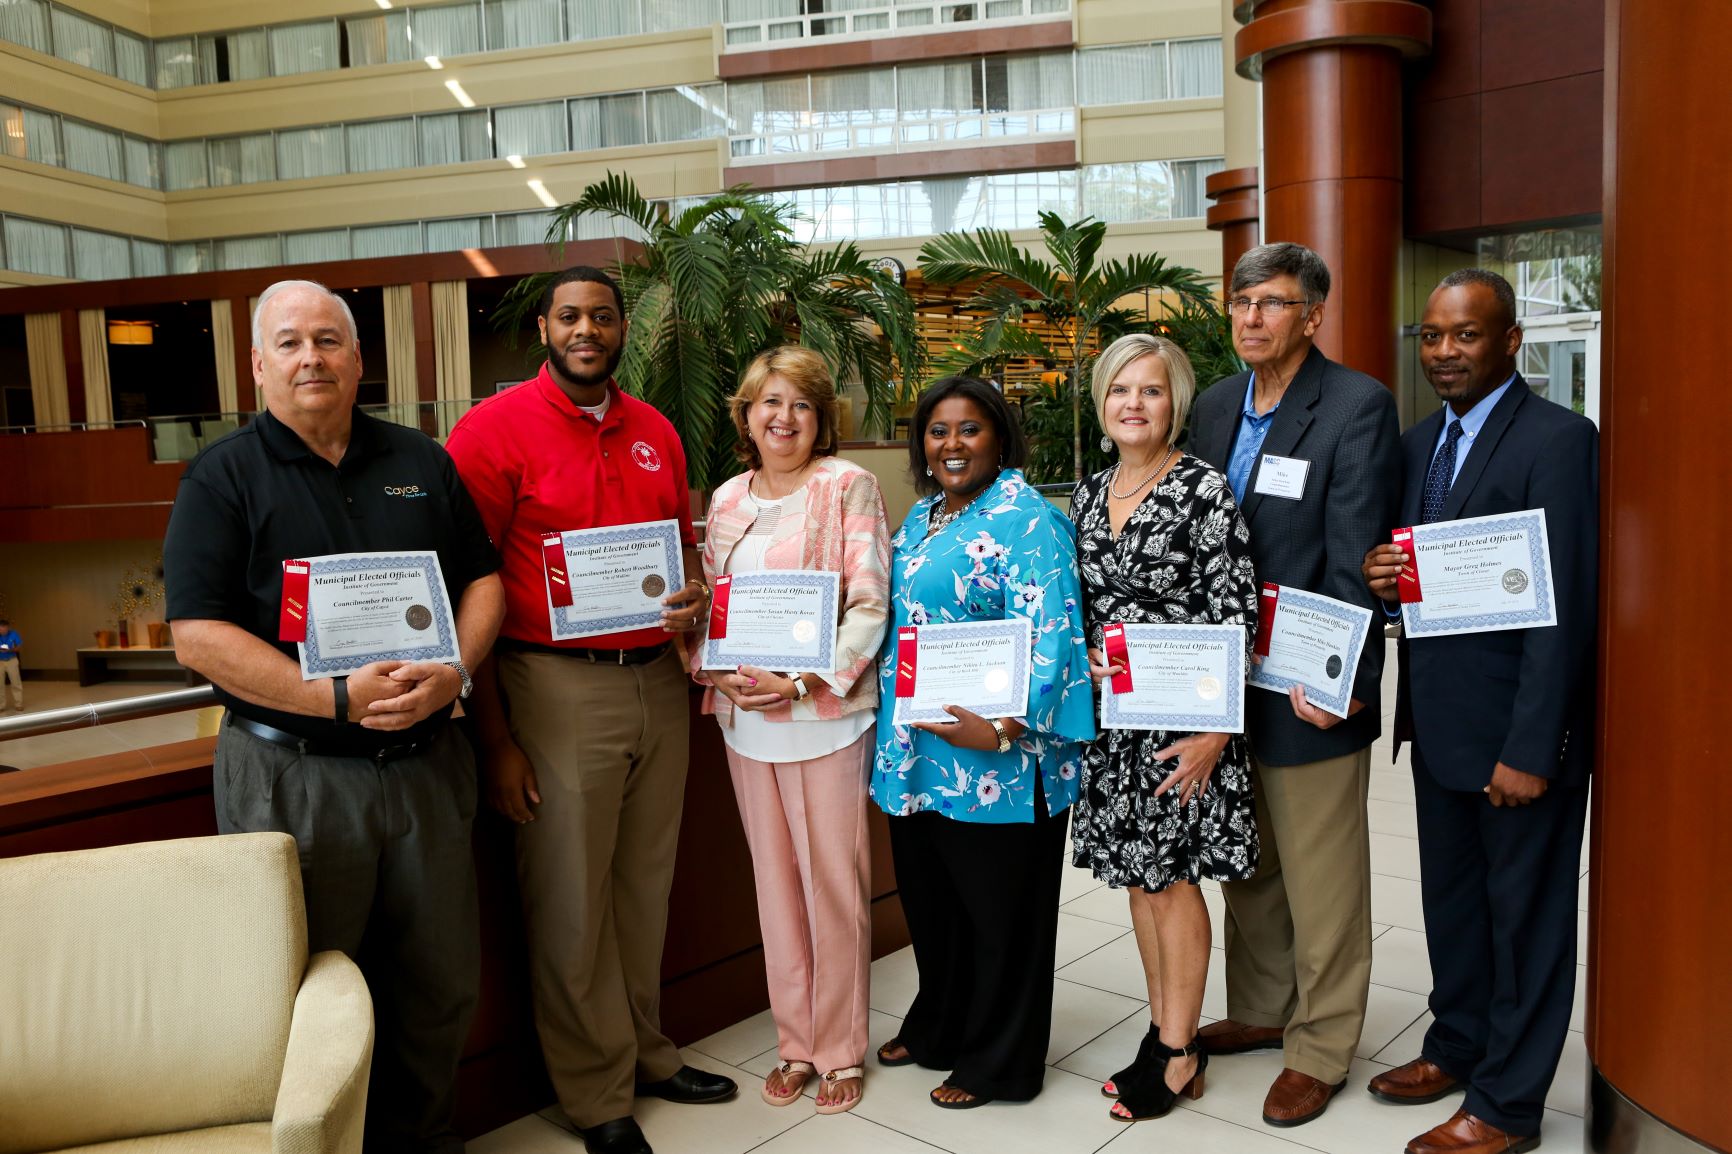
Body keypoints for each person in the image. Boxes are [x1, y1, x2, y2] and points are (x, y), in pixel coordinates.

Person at [163, 279, 506, 1153]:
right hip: (296, 779)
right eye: (288, 343)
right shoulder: (221, 477)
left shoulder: (420, 459)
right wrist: (335, 700)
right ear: (257, 365)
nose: (309, 357)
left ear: (358, 360)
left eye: (327, 340)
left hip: (428, 768)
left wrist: (455, 672)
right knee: (307, 996)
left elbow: (483, 580)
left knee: (438, 990)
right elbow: (197, 635)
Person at [444, 266, 734, 1154]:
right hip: (552, 687)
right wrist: (494, 739)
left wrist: (690, 596)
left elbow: (681, 554)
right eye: (569, 316)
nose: (586, 330)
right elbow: (472, 586)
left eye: (601, 317)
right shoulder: (489, 433)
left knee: (643, 891)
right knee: (570, 901)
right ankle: (596, 1093)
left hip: (654, 676)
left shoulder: (654, 430)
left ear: (620, 332)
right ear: (543, 329)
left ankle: (645, 1051)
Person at [1360, 270, 1596, 1154]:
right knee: (1454, 906)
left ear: (1509, 341)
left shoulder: (1561, 440)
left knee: (1526, 919)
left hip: (1519, 741)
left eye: (1465, 335)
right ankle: (1458, 1044)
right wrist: (1384, 584)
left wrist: (1533, 746)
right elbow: (1420, 582)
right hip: (1441, 731)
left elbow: (1564, 606)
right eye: (1432, 337)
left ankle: (1506, 1105)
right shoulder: (1419, 446)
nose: (1445, 352)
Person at [1187, 242, 1401, 1126]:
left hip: (1305, 678)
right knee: (1255, 860)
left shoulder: (1356, 405)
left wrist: (1343, 672)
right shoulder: (1211, 405)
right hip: (1221, 680)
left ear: (1311, 315)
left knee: (1323, 875)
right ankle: (1267, 1008)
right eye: (1240, 302)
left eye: (1270, 304)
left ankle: (1321, 1046)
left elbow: (1356, 551)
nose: (1249, 318)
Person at [869, 376, 1095, 1109]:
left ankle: (1001, 1059)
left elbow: (1057, 636)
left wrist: (999, 728)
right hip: (922, 756)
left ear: (1000, 437)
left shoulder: (1029, 520)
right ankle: (940, 1024)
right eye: (938, 431)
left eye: (970, 429)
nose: (952, 444)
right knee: (936, 905)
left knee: (1003, 917)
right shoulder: (925, 516)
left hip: (999, 759)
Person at [690, 346, 890, 1116]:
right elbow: (714, 604)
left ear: (821, 419)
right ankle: (795, 1044)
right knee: (775, 893)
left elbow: (870, 603)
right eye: (768, 404)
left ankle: (840, 1047)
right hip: (746, 723)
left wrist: (802, 679)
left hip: (824, 720)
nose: (783, 418)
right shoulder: (729, 497)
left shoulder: (849, 486)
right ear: (745, 416)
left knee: (833, 892)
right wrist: (720, 666)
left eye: (801, 405)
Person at [1070, 334, 1260, 1122]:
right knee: (1140, 884)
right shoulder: (1088, 492)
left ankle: (1182, 1053)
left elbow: (1239, 611)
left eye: (1150, 390)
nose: (1134, 404)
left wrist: (1216, 733)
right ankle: (1162, 1032)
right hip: (1116, 725)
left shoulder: (1202, 491)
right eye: (1120, 390)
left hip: (1186, 724)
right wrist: (1084, 653)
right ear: (1103, 402)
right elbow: (1082, 608)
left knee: (1173, 882)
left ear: (1173, 402)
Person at [0, 618, 21, 710]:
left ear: (8, 628)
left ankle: (18, 704)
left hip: (12, 660)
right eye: (0, 629)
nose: (2, 631)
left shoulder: (14, 634)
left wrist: (10, 650)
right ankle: (1, 705)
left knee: (16, 683)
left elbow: (19, 647)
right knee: (0, 685)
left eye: (4, 629)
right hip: (0, 661)